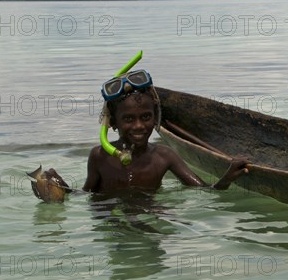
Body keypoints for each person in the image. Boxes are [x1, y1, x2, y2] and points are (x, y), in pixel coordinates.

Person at [83, 70, 248, 193]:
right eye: (128, 119)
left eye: (146, 117)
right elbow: (85, 195)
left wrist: (226, 178)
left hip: (150, 213)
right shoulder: (99, 156)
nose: (139, 125)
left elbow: (205, 190)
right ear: (113, 122)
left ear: (156, 118)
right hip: (111, 219)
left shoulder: (164, 156)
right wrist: (60, 188)